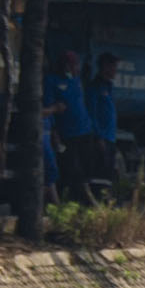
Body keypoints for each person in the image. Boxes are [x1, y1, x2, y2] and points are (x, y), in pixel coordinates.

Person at [43, 51, 121, 199]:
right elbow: (50, 108)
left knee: (88, 170)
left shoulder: (77, 81)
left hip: (85, 132)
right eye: (73, 65)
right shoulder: (52, 81)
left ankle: (93, 200)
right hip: (69, 133)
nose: (76, 68)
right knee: (73, 170)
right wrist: (55, 131)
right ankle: (77, 199)